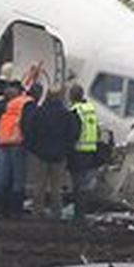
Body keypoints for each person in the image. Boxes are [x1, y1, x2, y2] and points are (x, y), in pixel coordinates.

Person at [25, 87, 80, 218]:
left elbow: (30, 130)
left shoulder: (39, 112)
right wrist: (66, 149)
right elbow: (74, 134)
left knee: (39, 185)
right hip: (59, 156)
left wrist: (34, 149)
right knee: (56, 187)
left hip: (41, 155)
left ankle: (37, 211)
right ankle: (57, 213)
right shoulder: (67, 115)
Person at [0, 80, 32, 217]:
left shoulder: (3, 107)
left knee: (2, 176)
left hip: (3, 143)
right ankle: (15, 210)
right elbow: (28, 124)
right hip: (18, 143)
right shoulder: (25, 104)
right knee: (18, 178)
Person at [67, 83, 100, 217]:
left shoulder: (75, 111)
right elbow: (96, 130)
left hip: (78, 151)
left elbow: (73, 132)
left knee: (78, 184)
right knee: (85, 184)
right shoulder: (90, 109)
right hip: (91, 150)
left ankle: (78, 214)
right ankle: (83, 211)